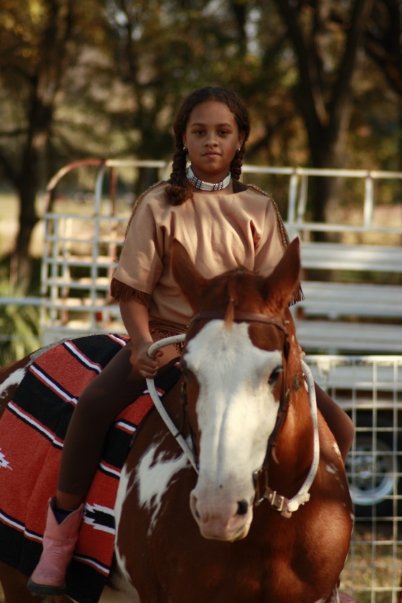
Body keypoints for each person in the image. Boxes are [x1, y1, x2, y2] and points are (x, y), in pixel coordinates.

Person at [28, 86, 355, 596]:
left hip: (245, 347)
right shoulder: (157, 205)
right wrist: (139, 344)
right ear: (183, 138)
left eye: (222, 132)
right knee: (92, 406)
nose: (211, 142)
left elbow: (278, 299)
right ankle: (61, 533)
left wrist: (289, 352)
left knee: (340, 427)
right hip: (169, 341)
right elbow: (133, 290)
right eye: (199, 132)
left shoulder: (258, 207)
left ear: (240, 140)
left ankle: (322, 566)